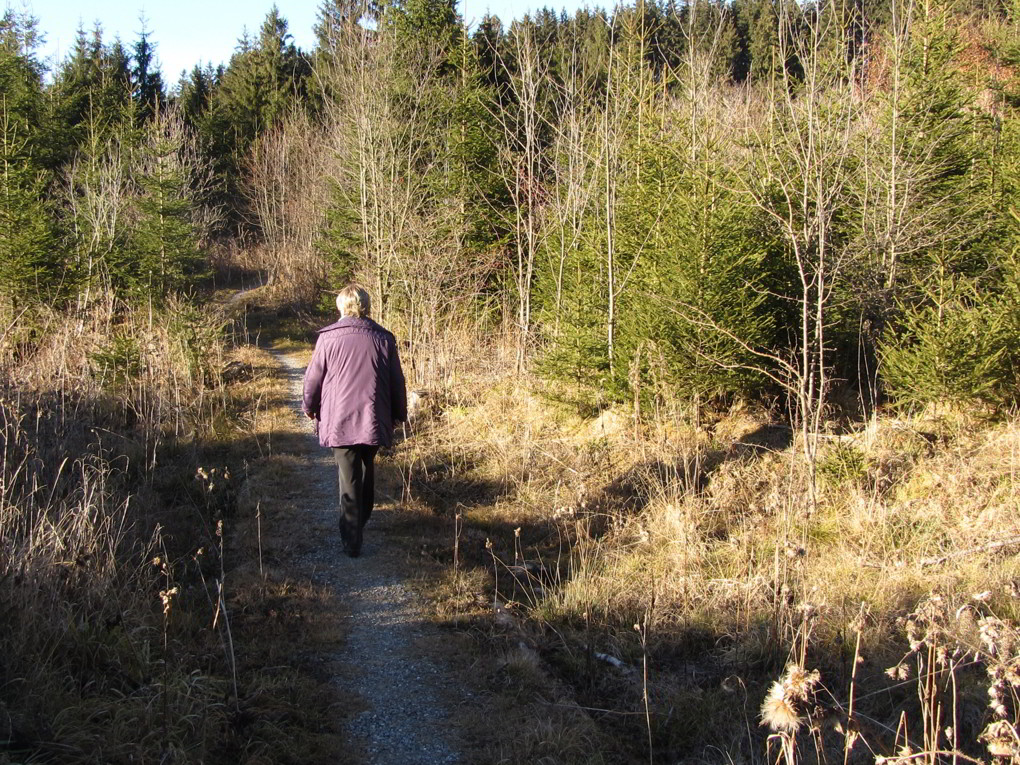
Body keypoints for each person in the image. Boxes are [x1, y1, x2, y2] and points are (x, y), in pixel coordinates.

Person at [302, 284, 407, 557]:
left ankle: (352, 538)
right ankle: (358, 524)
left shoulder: (328, 338)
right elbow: (397, 382)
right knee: (364, 470)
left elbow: (313, 378)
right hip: (373, 417)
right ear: (366, 306)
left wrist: (309, 407)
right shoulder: (383, 338)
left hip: (340, 418)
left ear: (341, 306)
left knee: (349, 475)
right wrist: (398, 413)